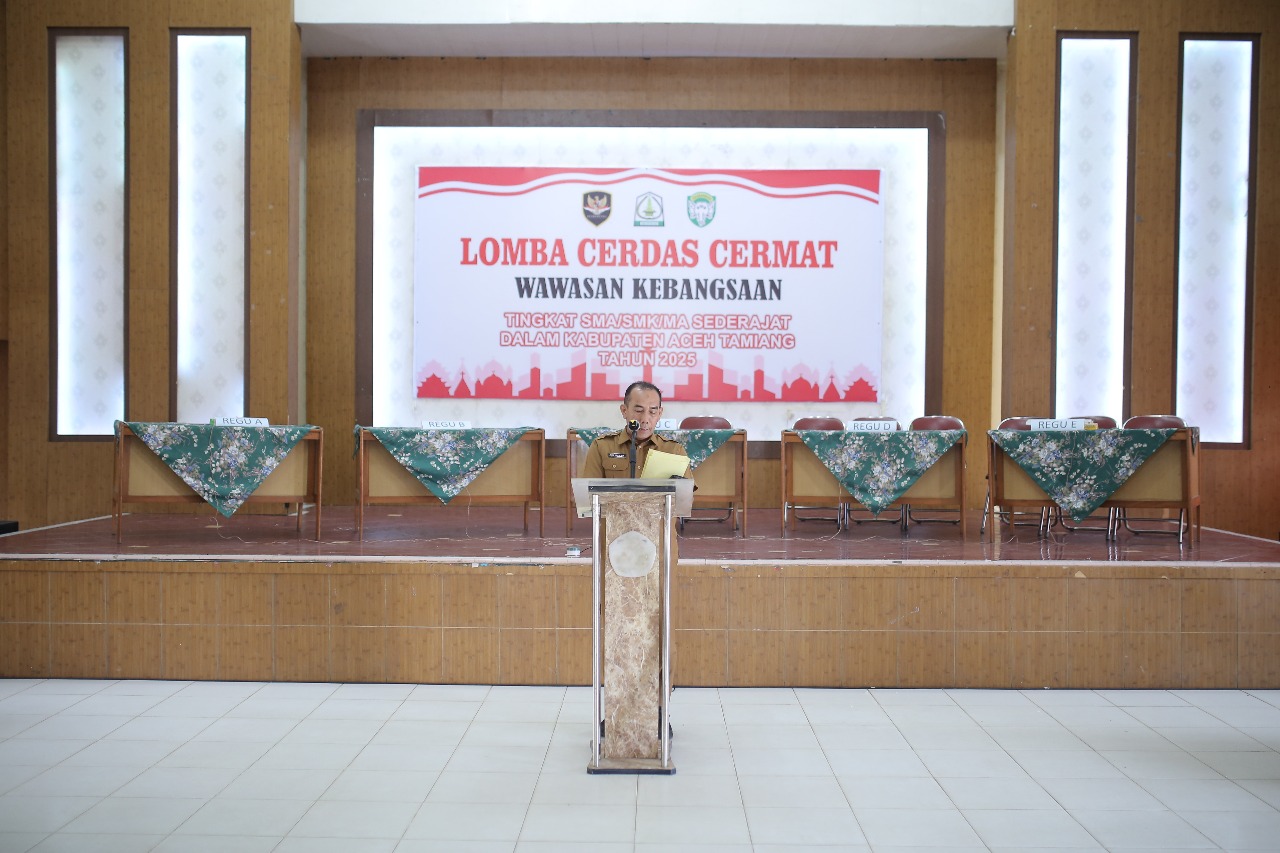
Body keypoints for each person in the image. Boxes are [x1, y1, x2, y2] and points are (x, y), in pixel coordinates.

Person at [580, 380, 691, 479]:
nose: (645, 419)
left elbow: (685, 497)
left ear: (659, 414)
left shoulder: (674, 451)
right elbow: (589, 493)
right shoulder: (601, 446)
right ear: (624, 411)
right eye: (638, 411)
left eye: (652, 412)